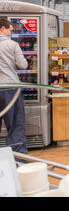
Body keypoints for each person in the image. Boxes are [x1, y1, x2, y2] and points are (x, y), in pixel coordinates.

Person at [0, 18, 28, 154]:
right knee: (15, 124)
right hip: (10, 88)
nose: (11, 33)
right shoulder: (12, 45)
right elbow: (23, 65)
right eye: (10, 30)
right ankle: (18, 158)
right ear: (2, 29)